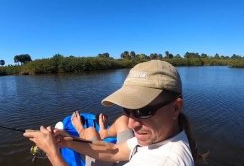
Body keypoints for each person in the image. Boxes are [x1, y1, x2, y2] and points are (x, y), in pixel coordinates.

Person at [24, 60, 207, 166]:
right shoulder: (160, 137)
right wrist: (65, 142)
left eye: (144, 111)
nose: (131, 123)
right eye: (128, 111)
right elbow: (114, 150)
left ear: (175, 108)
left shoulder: (163, 161)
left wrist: (53, 153)